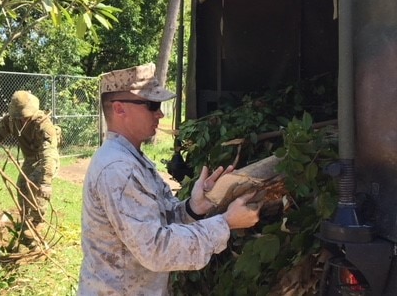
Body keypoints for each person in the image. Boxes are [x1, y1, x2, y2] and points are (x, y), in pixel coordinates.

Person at [78, 63, 261, 295]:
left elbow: (159, 222)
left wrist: (195, 207)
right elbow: (156, 250)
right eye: (152, 105)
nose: (160, 113)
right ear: (119, 109)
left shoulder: (130, 159)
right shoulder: (118, 169)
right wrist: (225, 223)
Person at [0, 90, 60, 245]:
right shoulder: (11, 121)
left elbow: (49, 155)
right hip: (29, 159)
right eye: (18, 115)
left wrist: (46, 182)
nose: (21, 119)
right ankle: (27, 219)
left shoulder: (44, 126)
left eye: (24, 116)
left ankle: (37, 221)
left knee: (34, 184)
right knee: (21, 186)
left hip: (45, 160)